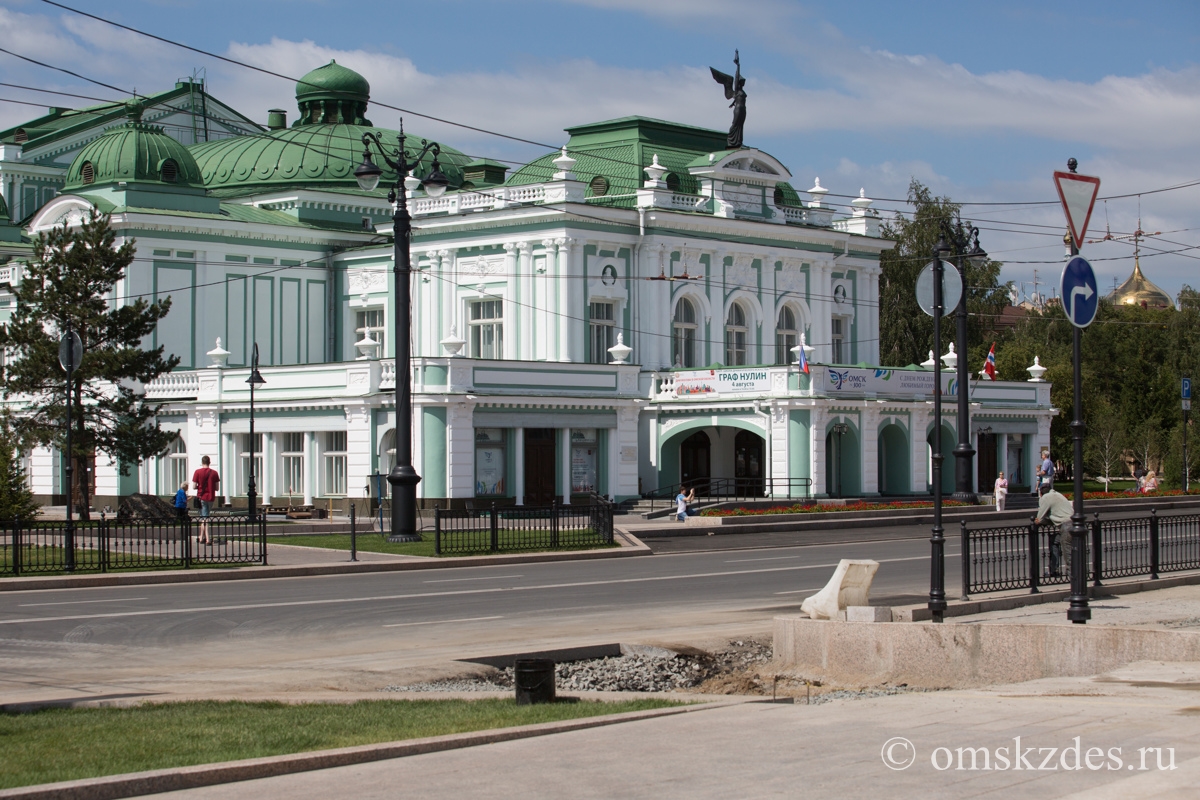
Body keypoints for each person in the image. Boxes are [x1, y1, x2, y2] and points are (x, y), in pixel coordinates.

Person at [1034, 488, 1074, 576]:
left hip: (1066, 527)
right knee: (1054, 540)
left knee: (1068, 551)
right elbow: (1058, 515)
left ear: (1041, 493)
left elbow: (1039, 518)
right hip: (1075, 524)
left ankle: (1072, 574)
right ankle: (1053, 570)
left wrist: (1038, 521)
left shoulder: (1046, 497)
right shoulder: (1058, 494)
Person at [192, 455, 220, 544]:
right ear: (209, 462)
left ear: (202, 462)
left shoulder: (197, 472)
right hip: (211, 497)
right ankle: (201, 537)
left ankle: (207, 538)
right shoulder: (214, 473)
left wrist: (199, 487)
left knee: (204, 518)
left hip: (202, 497)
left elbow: (193, 486)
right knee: (204, 516)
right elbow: (217, 488)